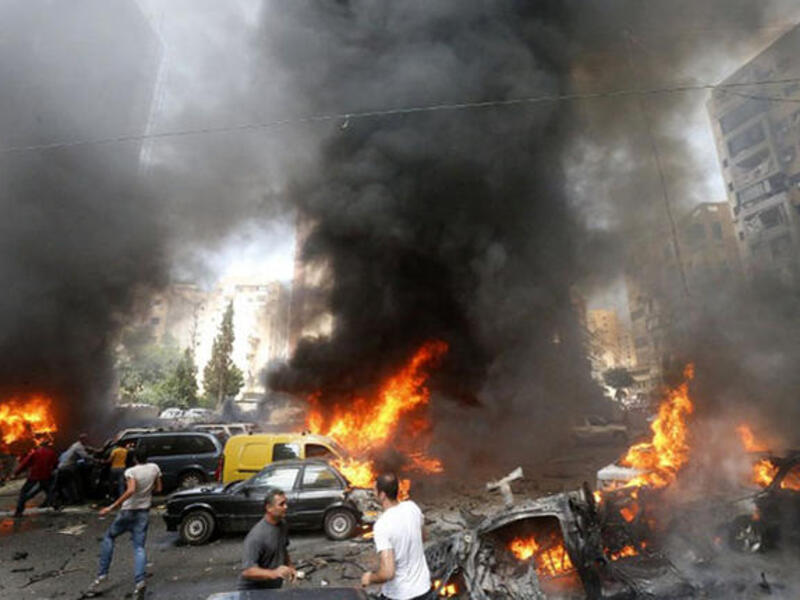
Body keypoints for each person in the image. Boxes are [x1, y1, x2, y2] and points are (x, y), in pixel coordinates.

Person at [88, 446, 162, 600]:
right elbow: (159, 488)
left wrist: (111, 507)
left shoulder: (131, 471)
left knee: (109, 537)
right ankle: (140, 582)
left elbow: (131, 490)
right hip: (143, 512)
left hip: (128, 512)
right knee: (139, 547)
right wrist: (147, 492)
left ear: (135, 458)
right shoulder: (154, 468)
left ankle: (102, 575)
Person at [361, 473, 433, 600]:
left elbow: (388, 572)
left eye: (375, 490)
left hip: (401, 595)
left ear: (382, 495)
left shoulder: (382, 525)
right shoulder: (412, 508)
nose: (373, 493)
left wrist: (370, 577)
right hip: (424, 589)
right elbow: (424, 537)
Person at [238, 487, 296, 590]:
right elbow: (248, 571)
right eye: (281, 504)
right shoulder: (256, 536)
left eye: (286, 503)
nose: (286, 507)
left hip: (272, 589)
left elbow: (283, 549)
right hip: (253, 593)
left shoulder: (282, 524)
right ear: (269, 508)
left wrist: (291, 567)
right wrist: (274, 573)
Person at [8, 435, 58, 517]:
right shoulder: (51, 453)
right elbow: (56, 463)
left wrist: (16, 473)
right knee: (49, 491)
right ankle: (56, 505)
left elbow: (24, 464)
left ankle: (19, 512)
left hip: (34, 476)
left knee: (24, 492)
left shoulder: (35, 453)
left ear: (40, 445)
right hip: (46, 476)